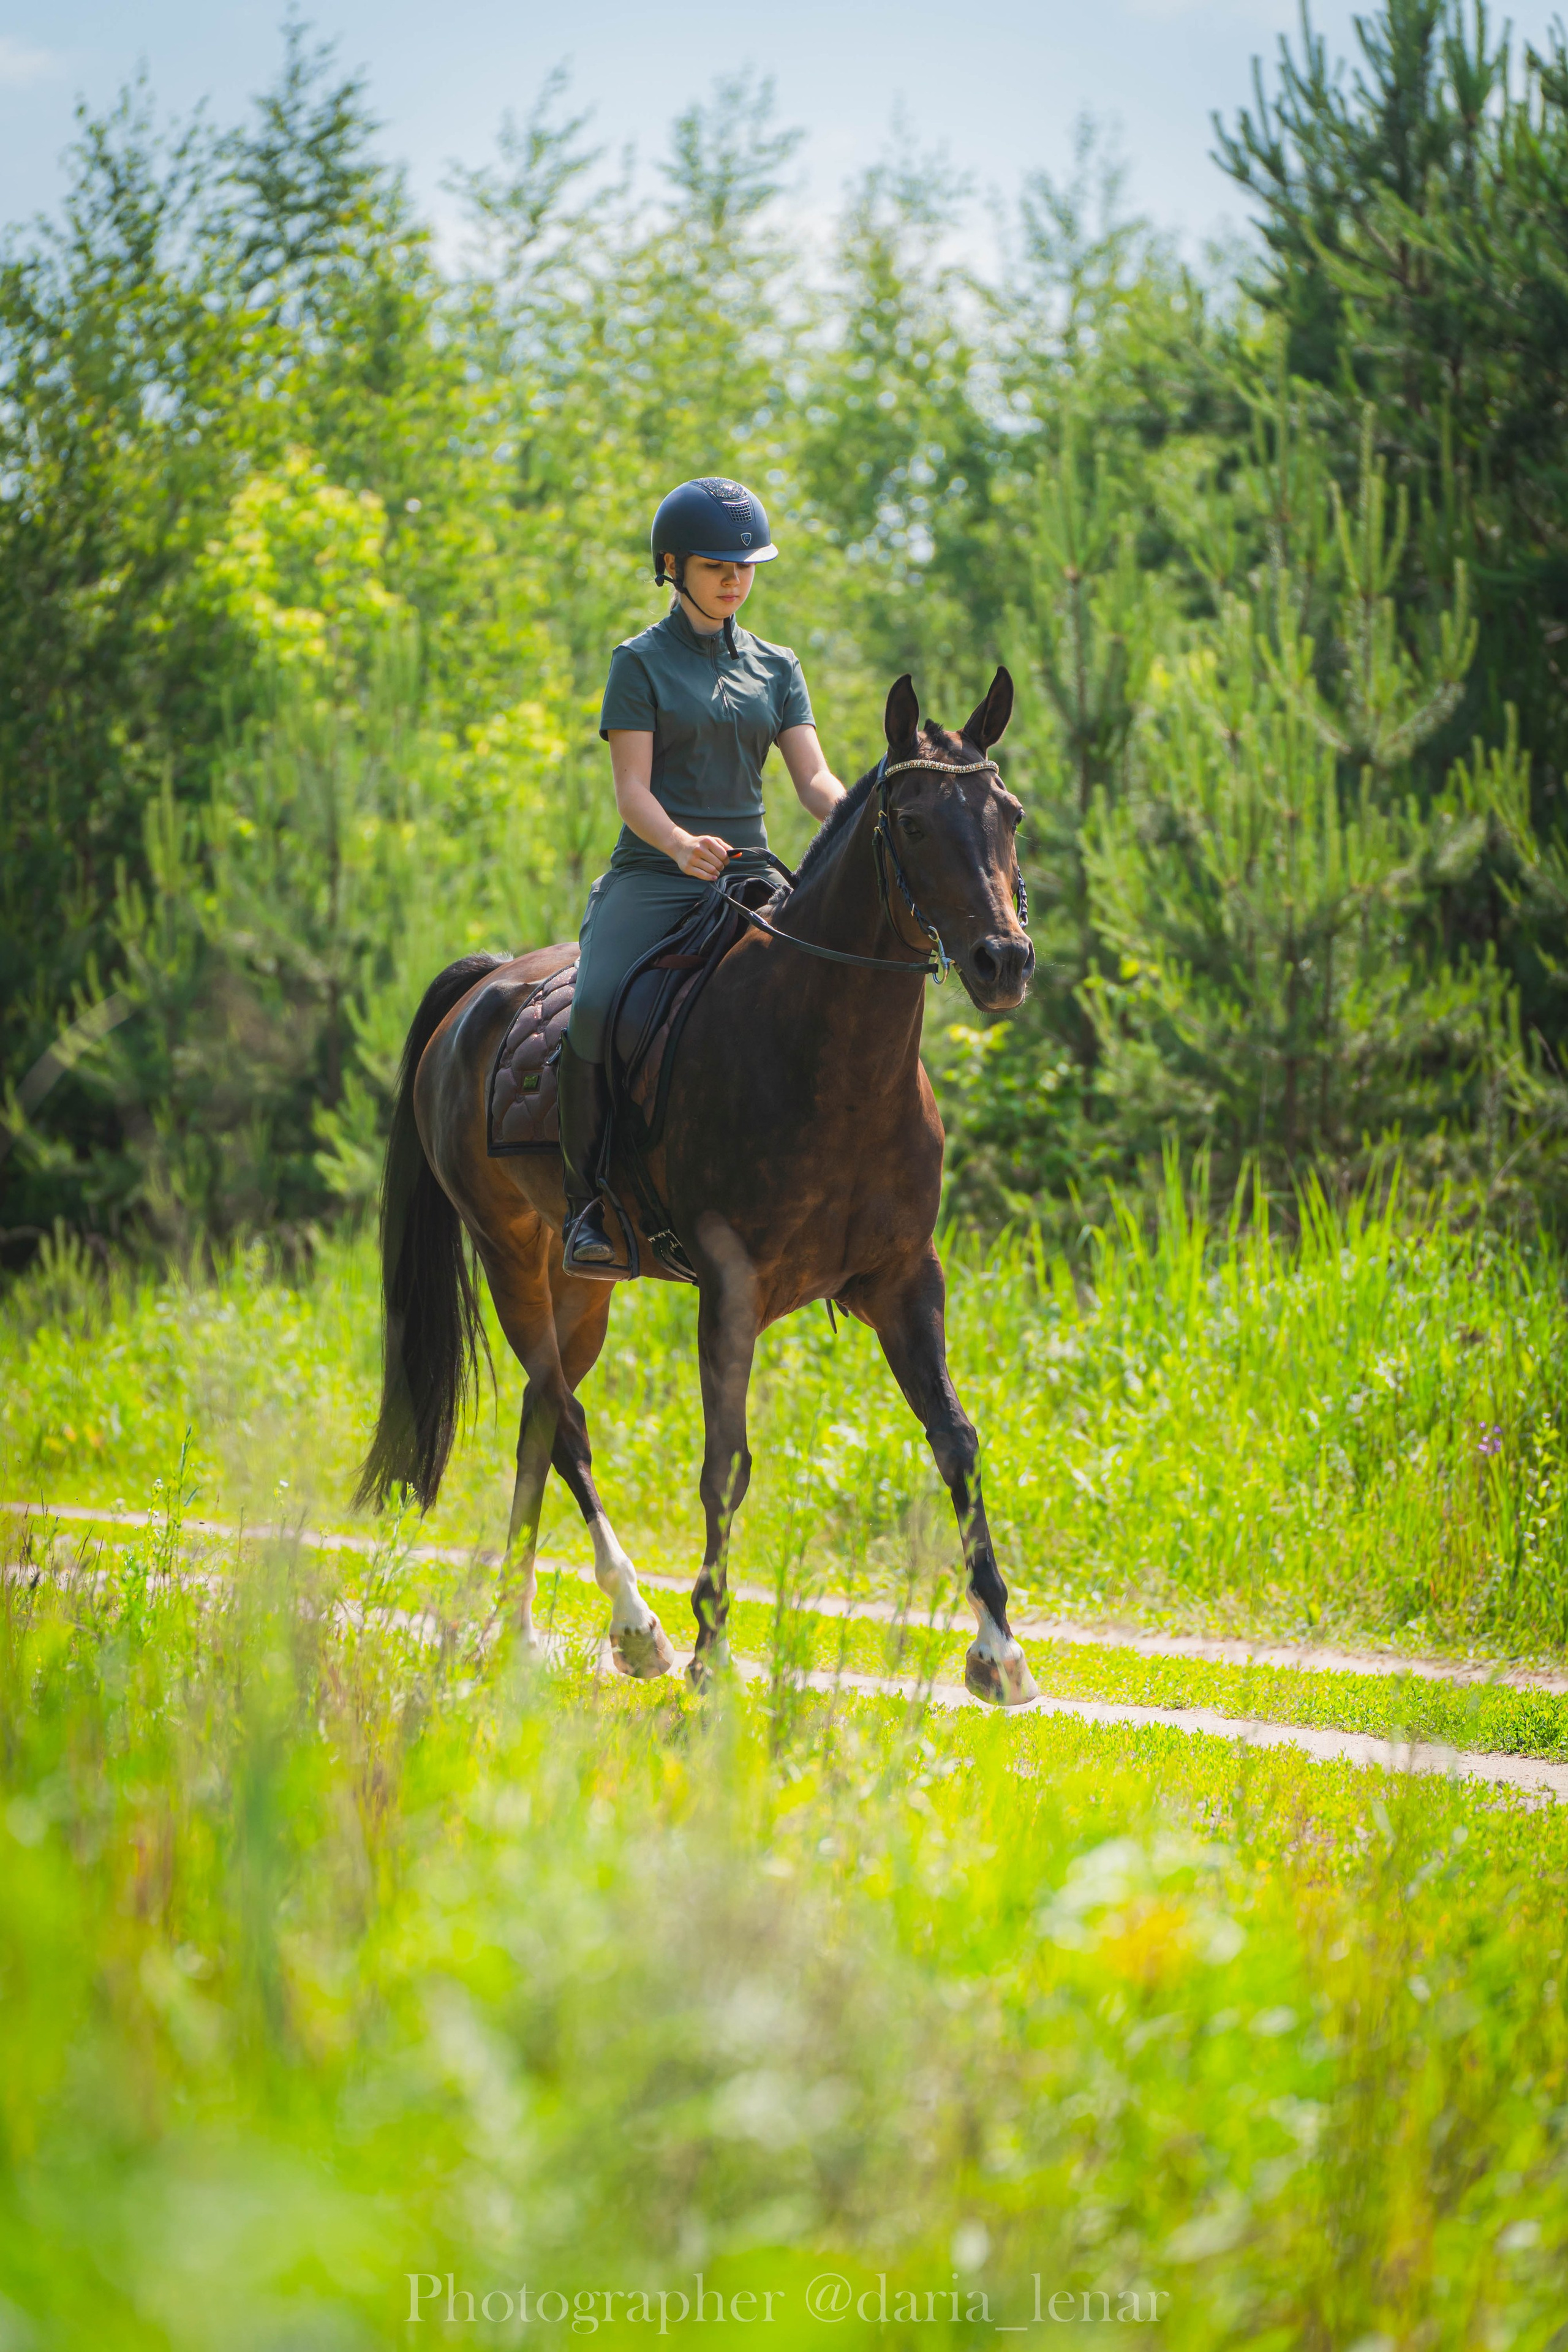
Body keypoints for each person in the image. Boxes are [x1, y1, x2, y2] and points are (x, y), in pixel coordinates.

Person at [557, 476, 845, 1276]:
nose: (734, 579)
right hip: (657, 875)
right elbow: (631, 792)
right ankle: (587, 1205)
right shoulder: (638, 664)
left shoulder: (778, 667)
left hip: (752, 879)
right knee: (594, 1006)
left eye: (745, 566)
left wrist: (863, 814)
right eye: (717, 565)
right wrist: (681, 845)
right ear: (672, 567)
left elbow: (813, 780)